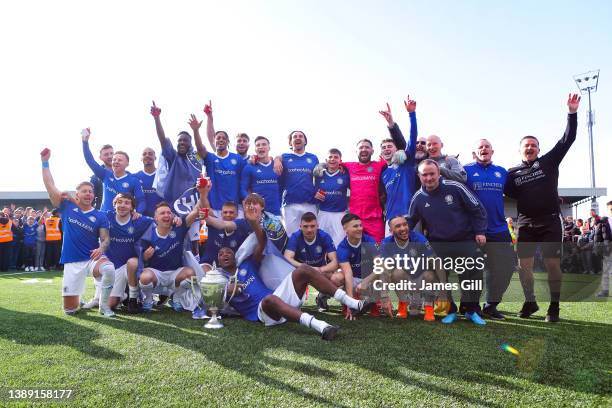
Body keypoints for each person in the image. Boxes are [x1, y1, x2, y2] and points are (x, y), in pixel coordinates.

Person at [219, 197, 373, 340]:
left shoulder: (248, 265)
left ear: (235, 256)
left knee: (304, 269)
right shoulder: (221, 279)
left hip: (279, 299)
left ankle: (353, 303)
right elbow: (216, 300)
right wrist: (228, 290)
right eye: (220, 254)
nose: (225, 254)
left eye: (228, 252)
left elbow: (261, 241)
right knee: (269, 299)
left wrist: (253, 222)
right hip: (264, 314)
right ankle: (321, 326)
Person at [504, 93, 581, 322]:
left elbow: (568, 139)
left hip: (550, 222)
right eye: (526, 145)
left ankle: (554, 307)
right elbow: (508, 192)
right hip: (526, 223)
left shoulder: (548, 162)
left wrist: (572, 113)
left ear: (538, 149)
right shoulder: (512, 173)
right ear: (520, 150)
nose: (530, 148)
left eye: (533, 145)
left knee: (552, 265)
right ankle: (530, 301)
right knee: (523, 266)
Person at [408, 159, 488, 325]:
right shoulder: (418, 197)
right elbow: (411, 221)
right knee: (440, 278)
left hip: (464, 239)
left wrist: (480, 231)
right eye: (425, 174)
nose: (429, 178)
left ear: (439, 173)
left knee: (472, 277)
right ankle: (450, 310)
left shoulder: (455, 187)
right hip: (438, 243)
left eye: (432, 174)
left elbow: (477, 209)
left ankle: (471, 310)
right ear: (419, 176)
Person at [40, 148, 116, 316]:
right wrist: (45, 163)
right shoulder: (67, 207)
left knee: (109, 269)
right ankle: (77, 301)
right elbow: (50, 187)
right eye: (84, 191)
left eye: (91, 191)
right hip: (72, 260)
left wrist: (101, 249)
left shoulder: (100, 215)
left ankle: (104, 306)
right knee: (70, 311)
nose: (88, 194)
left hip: (91, 258)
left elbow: (105, 239)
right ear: (77, 194)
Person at [464, 139, 517, 319]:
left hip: (499, 229)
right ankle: (471, 305)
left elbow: (518, 192)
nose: (484, 149)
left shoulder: (501, 172)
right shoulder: (466, 170)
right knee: (473, 270)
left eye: (487, 147)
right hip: (474, 230)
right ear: (474, 153)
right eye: (480, 147)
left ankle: (491, 305)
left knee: (507, 267)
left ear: (492, 151)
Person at [138, 198, 202, 316]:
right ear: (156, 218)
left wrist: (203, 193)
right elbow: (140, 260)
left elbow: (195, 212)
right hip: (156, 273)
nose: (166, 215)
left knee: (190, 273)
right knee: (145, 277)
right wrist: (145, 257)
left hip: (175, 273)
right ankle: (147, 299)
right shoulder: (149, 234)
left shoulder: (179, 228)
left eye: (169, 213)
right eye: (162, 213)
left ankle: (176, 297)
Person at [381, 215, 440, 321]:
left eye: (405, 224)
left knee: (430, 274)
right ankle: (403, 304)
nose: (403, 228)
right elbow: (383, 270)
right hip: (405, 281)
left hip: (422, 279)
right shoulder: (386, 243)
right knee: (396, 273)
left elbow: (435, 262)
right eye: (398, 226)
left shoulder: (419, 239)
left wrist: (442, 288)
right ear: (391, 230)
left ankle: (428, 307)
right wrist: (384, 295)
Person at [194, 104, 245, 217]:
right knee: (208, 234)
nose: (221, 140)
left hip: (233, 209)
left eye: (224, 138)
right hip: (213, 208)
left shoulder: (237, 159)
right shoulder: (210, 157)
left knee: (235, 234)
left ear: (228, 142)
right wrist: (196, 130)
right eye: (218, 138)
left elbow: (245, 181)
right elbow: (200, 148)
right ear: (214, 141)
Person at [284, 212, 341, 311]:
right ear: (300, 226)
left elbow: (335, 262)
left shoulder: (324, 236)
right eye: (305, 226)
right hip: (301, 273)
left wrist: (320, 269)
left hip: (320, 272)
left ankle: (322, 297)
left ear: (317, 226)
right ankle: (294, 298)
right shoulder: (295, 236)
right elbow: (287, 257)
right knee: (296, 304)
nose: (309, 229)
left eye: (312, 226)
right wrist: (305, 268)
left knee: (338, 278)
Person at [378, 98, 418, 236]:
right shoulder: (383, 172)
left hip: (409, 216)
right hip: (390, 220)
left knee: (413, 255)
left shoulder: (406, 163)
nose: (387, 149)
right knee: (390, 256)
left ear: (397, 149)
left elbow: (412, 138)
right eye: (383, 148)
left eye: (390, 146)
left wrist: (412, 114)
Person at [150, 101, 202, 206]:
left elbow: (203, 153)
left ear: (191, 144)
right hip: (174, 205)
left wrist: (196, 131)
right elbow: (163, 140)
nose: (181, 142)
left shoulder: (197, 158)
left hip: (194, 205)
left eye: (185, 140)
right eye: (179, 141)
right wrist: (157, 118)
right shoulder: (173, 156)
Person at [82, 129, 145, 213]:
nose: (116, 161)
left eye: (120, 160)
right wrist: (85, 142)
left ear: (127, 164)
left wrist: (138, 213)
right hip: (105, 220)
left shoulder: (133, 180)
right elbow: (90, 161)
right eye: (114, 160)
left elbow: (141, 201)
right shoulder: (105, 175)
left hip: (123, 221)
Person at [274, 131, 319, 236]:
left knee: (311, 235)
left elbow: (319, 177)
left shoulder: (313, 158)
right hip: (290, 204)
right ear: (290, 142)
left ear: (305, 141)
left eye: (300, 136)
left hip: (309, 204)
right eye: (295, 137)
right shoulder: (284, 157)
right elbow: (276, 158)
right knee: (291, 237)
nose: (298, 138)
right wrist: (276, 159)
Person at [342, 139, 386, 242]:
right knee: (356, 250)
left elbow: (392, 160)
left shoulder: (379, 165)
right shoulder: (349, 166)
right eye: (361, 147)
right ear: (356, 151)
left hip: (374, 219)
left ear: (372, 151)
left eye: (367, 147)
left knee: (378, 250)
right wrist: (320, 166)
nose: (364, 149)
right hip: (354, 219)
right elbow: (332, 163)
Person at [336, 213, 379, 319]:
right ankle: (348, 304)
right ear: (345, 229)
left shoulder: (369, 241)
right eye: (355, 226)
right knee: (336, 278)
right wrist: (350, 302)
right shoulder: (342, 247)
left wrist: (365, 282)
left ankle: (374, 302)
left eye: (360, 225)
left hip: (369, 278)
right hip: (354, 280)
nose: (360, 228)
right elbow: (348, 273)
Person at [313, 148, 350, 247]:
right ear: (326, 160)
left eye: (336, 157)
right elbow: (313, 192)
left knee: (339, 243)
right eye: (330, 157)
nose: (332, 159)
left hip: (340, 214)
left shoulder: (346, 175)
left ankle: (338, 262)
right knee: (321, 242)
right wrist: (315, 195)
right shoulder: (318, 175)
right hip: (323, 213)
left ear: (340, 161)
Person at [240, 136, 282, 216]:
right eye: (258, 145)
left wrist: (277, 159)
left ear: (269, 147)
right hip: (257, 213)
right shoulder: (249, 167)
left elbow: (282, 186)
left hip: (276, 213)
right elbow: (242, 190)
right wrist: (252, 200)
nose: (261, 147)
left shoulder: (277, 165)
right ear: (255, 149)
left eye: (263, 144)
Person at [135, 147, 163, 217]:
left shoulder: (162, 175)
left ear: (155, 157)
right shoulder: (135, 177)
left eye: (150, 154)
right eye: (144, 154)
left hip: (160, 218)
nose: (147, 155)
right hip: (141, 217)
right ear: (141, 158)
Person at [594, 201, 612, 297]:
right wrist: (597, 248)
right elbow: (597, 236)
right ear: (608, 210)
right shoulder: (603, 221)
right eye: (611, 209)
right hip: (608, 247)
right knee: (606, 269)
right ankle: (605, 291)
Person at [90, 144, 114, 210]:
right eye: (106, 154)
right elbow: (90, 200)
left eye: (112, 153)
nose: (110, 156)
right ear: (100, 157)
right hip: (102, 215)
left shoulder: (125, 175)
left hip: (121, 215)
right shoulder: (95, 178)